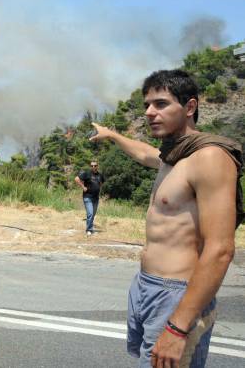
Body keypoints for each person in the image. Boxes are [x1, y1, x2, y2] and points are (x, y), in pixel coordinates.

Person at [90, 69, 243, 367]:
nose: (149, 112)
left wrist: (178, 326)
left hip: (176, 295)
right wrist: (111, 135)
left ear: (189, 107)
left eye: (160, 104)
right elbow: (145, 153)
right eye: (147, 105)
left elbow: (221, 250)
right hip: (147, 285)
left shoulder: (210, 158)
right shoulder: (174, 156)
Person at [74, 160, 105, 236]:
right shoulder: (86, 174)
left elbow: (102, 183)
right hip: (87, 197)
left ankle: (89, 226)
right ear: (90, 166)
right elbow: (76, 179)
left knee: (93, 214)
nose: (93, 167)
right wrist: (83, 187)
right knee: (90, 213)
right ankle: (89, 230)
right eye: (92, 166)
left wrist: (98, 188)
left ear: (97, 166)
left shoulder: (100, 175)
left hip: (96, 198)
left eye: (95, 165)